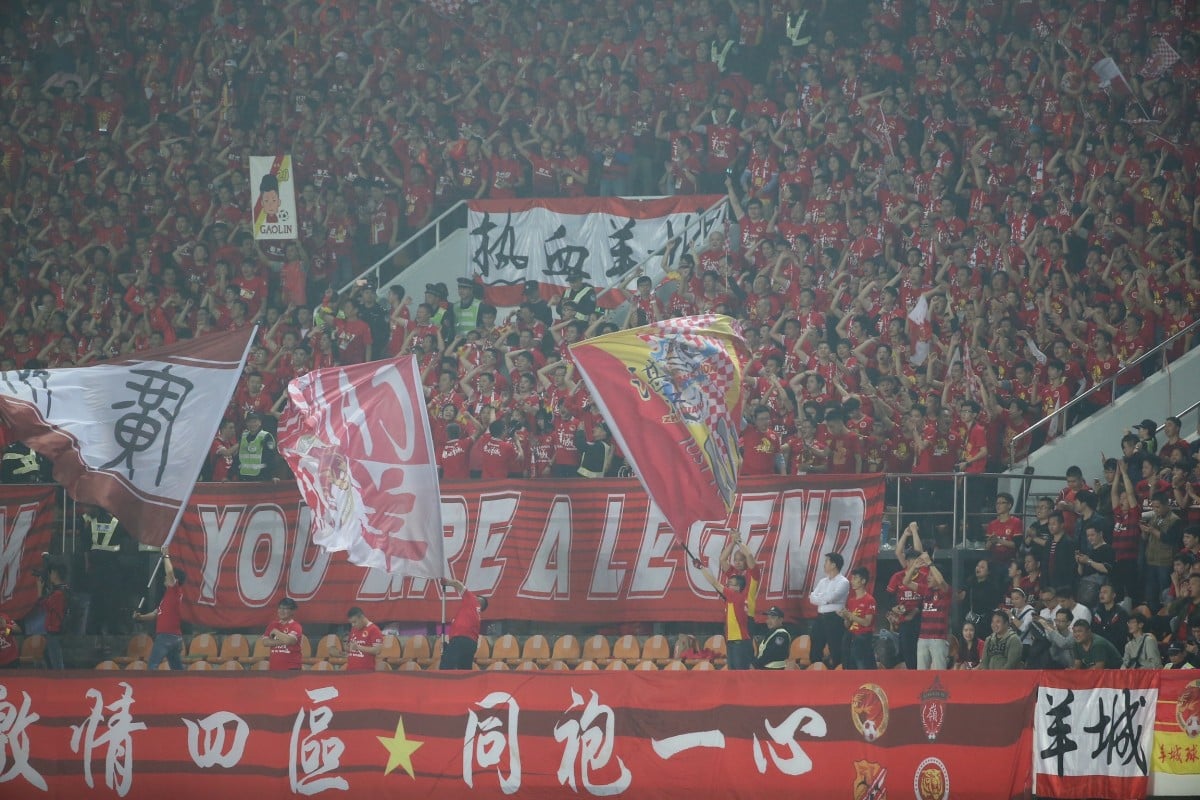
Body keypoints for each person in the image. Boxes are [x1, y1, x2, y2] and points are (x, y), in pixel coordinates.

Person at [132, 547, 186, 671]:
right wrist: (141, 617)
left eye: (168, 578)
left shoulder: (175, 591)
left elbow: (170, 573)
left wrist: (166, 556)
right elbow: (156, 613)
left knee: (152, 665)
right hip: (174, 637)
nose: (165, 578)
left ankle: (151, 688)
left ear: (175, 581)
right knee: (177, 668)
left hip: (165, 637)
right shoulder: (168, 597)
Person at [699, 560, 755, 670]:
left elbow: (715, 583)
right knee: (733, 675)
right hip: (733, 642)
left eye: (730, 585)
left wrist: (701, 567)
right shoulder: (733, 600)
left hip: (739, 643)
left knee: (739, 675)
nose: (727, 586)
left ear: (738, 588)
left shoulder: (736, 596)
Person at [903, 548, 952, 670]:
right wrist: (914, 567)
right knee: (921, 674)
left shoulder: (946, 591)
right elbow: (906, 582)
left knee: (939, 673)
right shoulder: (926, 590)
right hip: (923, 638)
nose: (928, 577)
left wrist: (930, 563)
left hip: (938, 639)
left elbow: (940, 580)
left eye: (931, 575)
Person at [807, 552, 850, 668]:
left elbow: (832, 598)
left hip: (834, 618)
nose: (824, 564)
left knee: (835, 647)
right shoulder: (822, 581)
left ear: (834, 565)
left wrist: (821, 598)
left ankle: (838, 671)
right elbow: (812, 598)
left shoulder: (843, 582)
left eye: (826, 561)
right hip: (820, 617)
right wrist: (824, 598)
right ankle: (815, 668)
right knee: (815, 645)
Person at [439, 576, 487, 669]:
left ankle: (443, 683)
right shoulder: (475, 616)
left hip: (460, 639)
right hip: (471, 644)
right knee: (464, 671)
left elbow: (457, 584)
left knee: (446, 668)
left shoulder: (472, 600)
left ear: (478, 599)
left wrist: (446, 582)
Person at [838, 566, 876, 669]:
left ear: (863, 581)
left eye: (855, 578)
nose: (852, 581)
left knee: (862, 667)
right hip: (850, 636)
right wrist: (845, 617)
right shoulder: (851, 601)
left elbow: (867, 622)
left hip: (863, 638)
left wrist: (850, 615)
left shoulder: (869, 600)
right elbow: (847, 625)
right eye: (852, 578)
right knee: (848, 666)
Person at [35, 557, 69, 669]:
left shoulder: (58, 594)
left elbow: (44, 604)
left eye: (50, 572)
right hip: (58, 630)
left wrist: (39, 589)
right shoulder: (65, 589)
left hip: (55, 631)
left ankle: (60, 683)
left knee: (57, 662)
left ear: (55, 573)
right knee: (49, 656)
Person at [232, 412, 278, 480]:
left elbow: (271, 457)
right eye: (249, 422)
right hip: (243, 477)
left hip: (261, 477)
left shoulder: (266, 437)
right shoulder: (243, 437)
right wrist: (229, 476)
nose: (252, 424)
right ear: (246, 423)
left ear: (260, 423)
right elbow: (237, 458)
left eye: (254, 421)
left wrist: (272, 476)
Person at [262, 597, 303, 671]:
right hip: (274, 668)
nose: (281, 611)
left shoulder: (296, 626)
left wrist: (276, 633)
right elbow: (265, 642)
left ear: (293, 611)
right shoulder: (272, 625)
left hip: (292, 668)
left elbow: (290, 641)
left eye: (285, 609)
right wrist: (284, 639)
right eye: (280, 608)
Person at [341, 606, 383, 671]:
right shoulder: (354, 629)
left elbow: (377, 650)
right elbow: (350, 646)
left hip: (366, 672)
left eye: (355, 622)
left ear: (362, 617)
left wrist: (358, 647)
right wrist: (347, 647)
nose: (353, 625)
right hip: (350, 671)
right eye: (351, 623)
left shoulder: (374, 629)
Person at [1091, 584, 1130, 651]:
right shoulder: (1097, 613)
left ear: (1113, 595)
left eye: (1105, 592)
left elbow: (1122, 636)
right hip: (1099, 648)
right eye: (1100, 592)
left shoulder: (1121, 613)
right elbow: (1093, 632)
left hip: (1116, 650)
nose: (1101, 595)